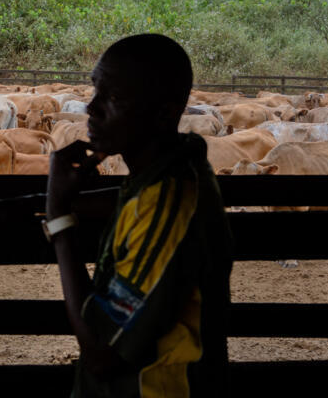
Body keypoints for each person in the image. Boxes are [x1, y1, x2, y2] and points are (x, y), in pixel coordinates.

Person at [44, 34, 233, 398]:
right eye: (96, 91)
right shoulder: (152, 182)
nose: (91, 109)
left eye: (114, 97)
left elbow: (103, 352)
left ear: (163, 112)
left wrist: (58, 218)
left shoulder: (168, 201)